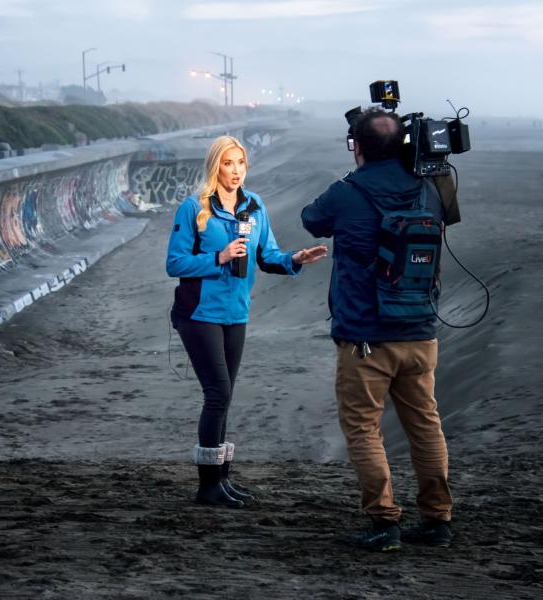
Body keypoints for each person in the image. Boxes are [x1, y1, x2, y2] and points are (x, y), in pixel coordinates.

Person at [301, 108, 454, 551]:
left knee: (364, 429)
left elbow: (312, 218)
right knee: (425, 426)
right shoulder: (430, 188)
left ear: (358, 146)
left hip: (366, 337)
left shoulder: (349, 192)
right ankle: (437, 521)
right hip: (421, 333)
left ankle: (384, 522)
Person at [166, 135, 327, 508]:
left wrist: (296, 258)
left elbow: (267, 255)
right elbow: (174, 263)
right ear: (214, 166)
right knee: (217, 394)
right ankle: (207, 486)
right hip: (198, 313)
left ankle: (222, 480)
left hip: (235, 313)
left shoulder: (255, 207)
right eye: (227, 163)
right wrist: (218, 257)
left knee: (225, 398)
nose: (235, 171)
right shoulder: (194, 208)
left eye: (240, 163)